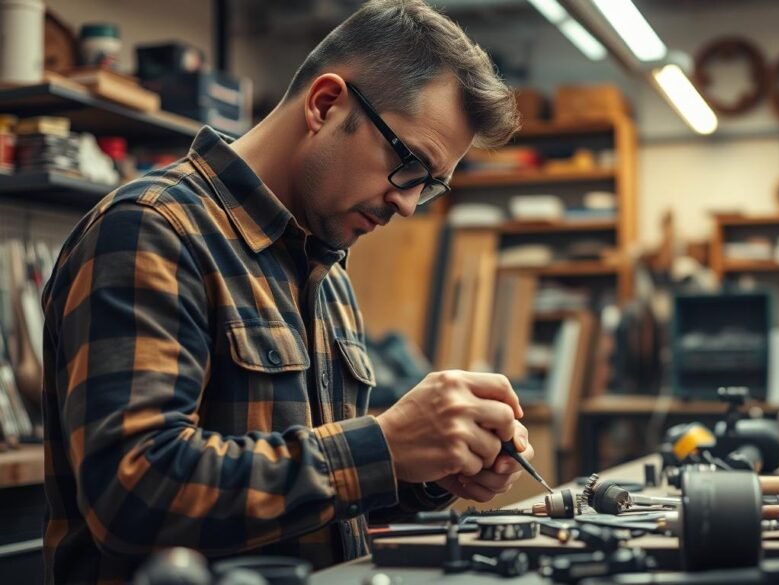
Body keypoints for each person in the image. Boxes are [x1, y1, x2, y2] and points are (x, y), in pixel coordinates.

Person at [40, 1, 528, 583]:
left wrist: (426, 469)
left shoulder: (328, 270)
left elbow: (313, 505)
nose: (406, 203)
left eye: (430, 186)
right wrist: (383, 445)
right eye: (409, 164)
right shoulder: (153, 230)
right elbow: (134, 494)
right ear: (325, 105)